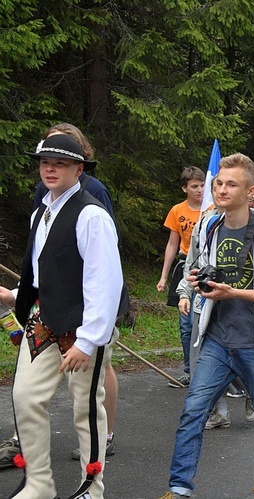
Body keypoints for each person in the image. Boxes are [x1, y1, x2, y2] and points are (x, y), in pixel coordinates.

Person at [162, 153, 254, 499]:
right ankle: (179, 489)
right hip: (216, 340)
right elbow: (197, 266)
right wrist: (193, 284)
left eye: (230, 184)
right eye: (218, 183)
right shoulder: (209, 226)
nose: (221, 189)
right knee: (193, 411)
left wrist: (234, 292)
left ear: (250, 191)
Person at [1, 133, 126, 498]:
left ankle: (92, 487)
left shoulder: (92, 214)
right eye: (44, 163)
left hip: (83, 324)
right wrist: (16, 297)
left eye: (60, 163)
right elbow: (41, 272)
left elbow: (105, 282)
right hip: (43, 319)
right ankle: (38, 484)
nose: (50, 169)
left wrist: (88, 340)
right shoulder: (42, 211)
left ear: (78, 168)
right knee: (24, 397)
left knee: (86, 408)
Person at [157, 166, 205, 387]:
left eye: (203, 185)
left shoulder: (212, 209)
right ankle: (189, 371)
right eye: (194, 186)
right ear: (184, 188)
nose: (199, 190)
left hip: (205, 268)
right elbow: (172, 244)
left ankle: (207, 371)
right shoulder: (177, 210)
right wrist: (164, 276)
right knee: (186, 324)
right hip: (186, 266)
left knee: (204, 323)